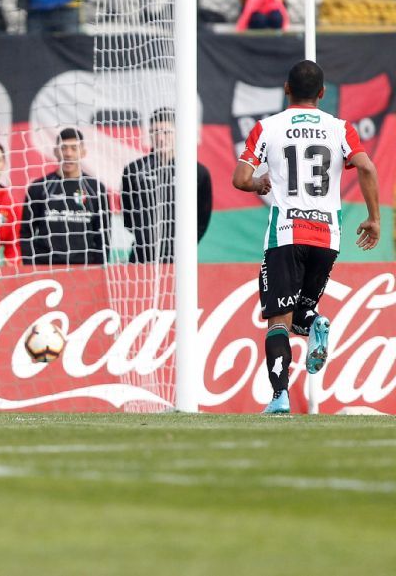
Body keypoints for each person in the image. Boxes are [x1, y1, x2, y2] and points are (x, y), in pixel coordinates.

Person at [232, 60, 380, 414]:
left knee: (279, 321)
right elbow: (367, 167)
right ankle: (316, 322)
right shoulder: (340, 127)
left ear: (286, 89)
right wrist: (374, 219)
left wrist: (257, 183)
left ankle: (279, 396)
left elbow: (240, 179)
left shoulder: (267, 127)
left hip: (285, 234)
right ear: (323, 94)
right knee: (301, 315)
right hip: (327, 235)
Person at [121, 109, 213, 264]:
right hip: (142, 254)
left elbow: (203, 215)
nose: (161, 138)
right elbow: (128, 215)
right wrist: (145, 236)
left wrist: (187, 244)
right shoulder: (134, 170)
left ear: (179, 132)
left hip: (180, 257)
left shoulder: (197, 171)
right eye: (155, 132)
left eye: (166, 132)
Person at [20, 127, 109, 266]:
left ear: (83, 152)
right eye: (64, 148)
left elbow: (104, 234)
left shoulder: (95, 188)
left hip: (85, 267)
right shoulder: (39, 188)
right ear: (56, 152)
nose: (68, 153)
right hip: (45, 265)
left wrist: (99, 266)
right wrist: (29, 264)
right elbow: (26, 232)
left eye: (74, 148)